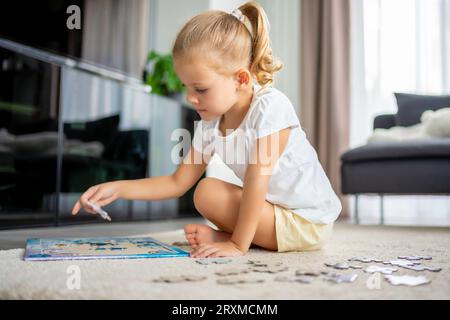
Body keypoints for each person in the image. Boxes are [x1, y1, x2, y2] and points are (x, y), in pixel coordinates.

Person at [72, 1, 342, 258]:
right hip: (272, 213)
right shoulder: (211, 123)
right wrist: (117, 188)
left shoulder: (271, 107)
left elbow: (256, 182)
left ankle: (232, 237)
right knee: (205, 191)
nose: (191, 98)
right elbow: (177, 183)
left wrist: (237, 245)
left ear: (241, 79)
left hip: (307, 222)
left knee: (225, 193)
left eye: (200, 89)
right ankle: (232, 236)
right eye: (186, 87)